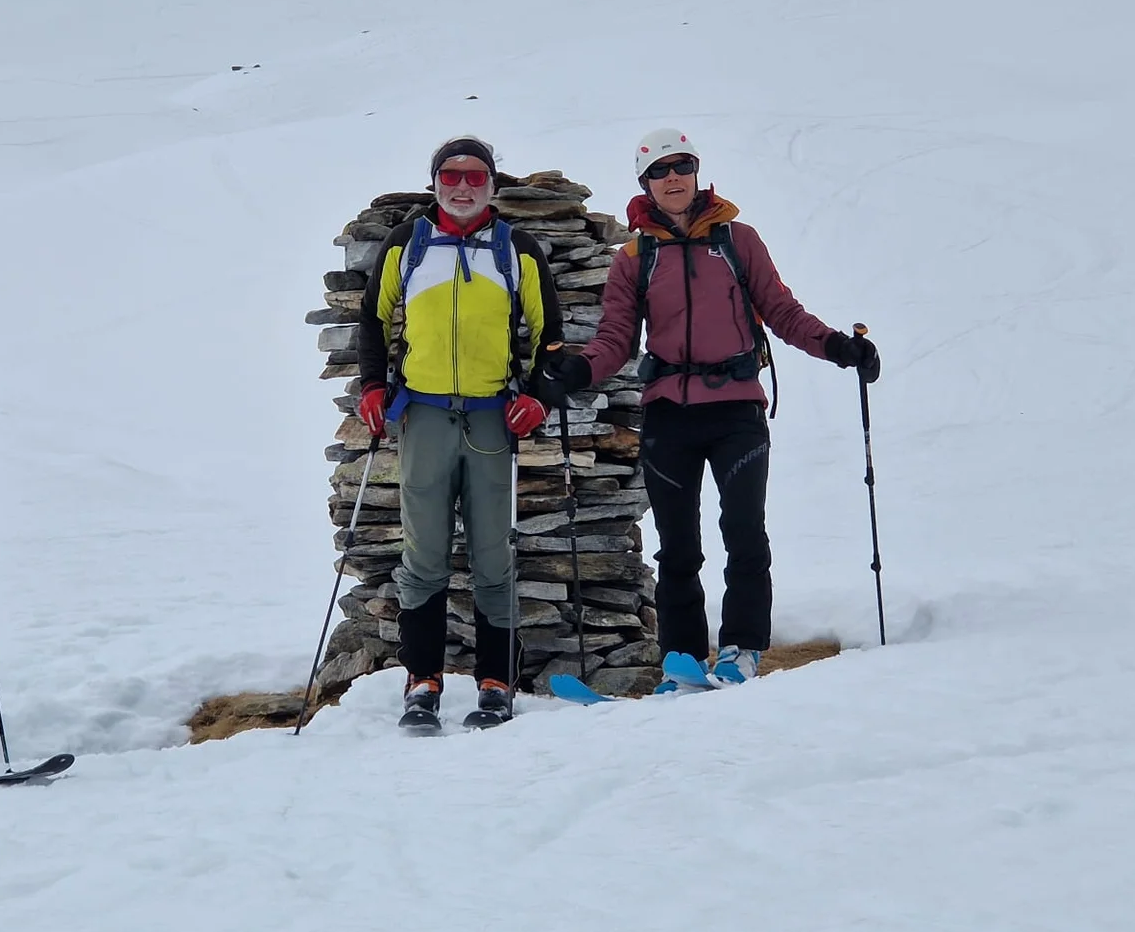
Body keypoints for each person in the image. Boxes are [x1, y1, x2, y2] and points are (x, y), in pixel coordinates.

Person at [545, 129, 879, 689]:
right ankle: (680, 660)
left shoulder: (738, 240)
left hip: (736, 410)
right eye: (659, 170)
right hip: (668, 413)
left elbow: (782, 311)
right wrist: (579, 369)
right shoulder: (635, 257)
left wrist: (839, 348)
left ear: (697, 173)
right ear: (644, 183)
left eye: (682, 166)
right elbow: (616, 338)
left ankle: (742, 648)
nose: (672, 178)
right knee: (678, 545)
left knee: (744, 532)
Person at [356, 138, 563, 731]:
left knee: (494, 554)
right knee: (423, 556)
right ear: (435, 182)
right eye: (451, 175)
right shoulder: (408, 243)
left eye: (475, 175)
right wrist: (372, 386)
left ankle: (496, 682)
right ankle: (422, 683)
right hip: (422, 415)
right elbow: (373, 318)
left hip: (491, 418)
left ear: (492, 184)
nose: (463, 185)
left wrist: (537, 396)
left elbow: (549, 336)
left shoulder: (515, 249)